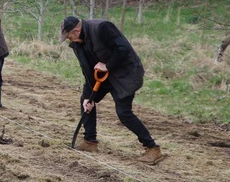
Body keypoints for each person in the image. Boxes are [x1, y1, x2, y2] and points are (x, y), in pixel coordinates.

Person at [60, 16, 164, 165]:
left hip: (124, 75)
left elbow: (123, 50)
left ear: (76, 30)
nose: (69, 39)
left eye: (69, 36)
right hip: (102, 78)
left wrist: (107, 66)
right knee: (86, 101)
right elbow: (88, 71)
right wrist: (89, 97)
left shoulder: (102, 27)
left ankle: (153, 148)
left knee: (124, 113)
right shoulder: (78, 44)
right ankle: (90, 141)